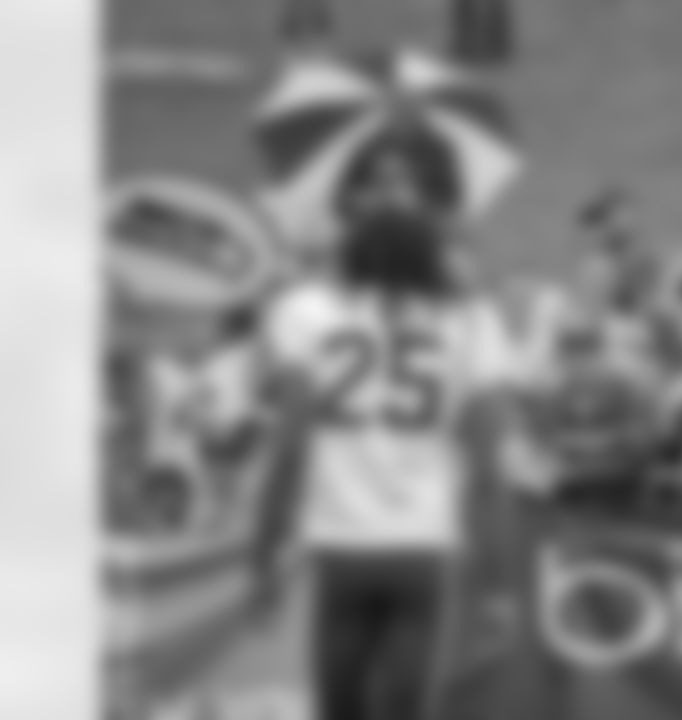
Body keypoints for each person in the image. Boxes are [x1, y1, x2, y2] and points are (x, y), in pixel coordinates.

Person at [251, 134, 534, 720]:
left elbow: (289, 447)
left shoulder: (305, 312)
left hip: (338, 541)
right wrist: (499, 583)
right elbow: (488, 467)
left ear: (352, 248)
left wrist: (264, 552)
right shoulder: (470, 319)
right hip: (421, 541)